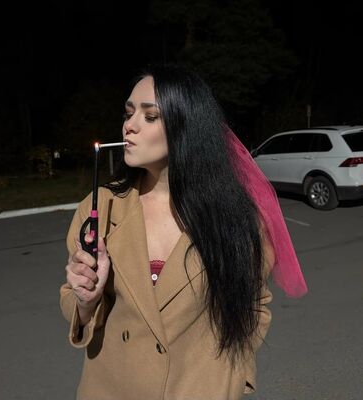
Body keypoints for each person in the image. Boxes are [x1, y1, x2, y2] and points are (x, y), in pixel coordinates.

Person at [60, 64, 307, 400]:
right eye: (129, 113)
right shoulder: (100, 209)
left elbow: (254, 303)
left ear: (185, 127)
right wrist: (86, 300)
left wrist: (236, 376)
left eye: (150, 116)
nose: (129, 125)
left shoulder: (236, 217)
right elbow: (71, 300)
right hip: (112, 389)